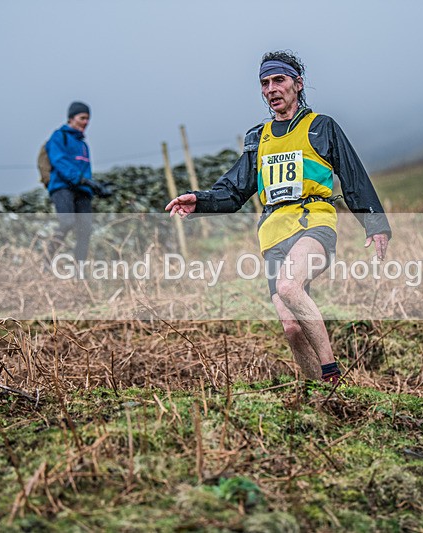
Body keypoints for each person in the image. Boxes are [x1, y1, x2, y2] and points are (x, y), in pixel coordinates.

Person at [166, 51, 391, 384]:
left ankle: (332, 375)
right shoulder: (259, 137)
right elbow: (234, 191)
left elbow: (353, 176)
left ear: (297, 85)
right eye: (264, 83)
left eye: (279, 80)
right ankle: (321, 396)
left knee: (288, 285)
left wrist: (375, 224)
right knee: (291, 327)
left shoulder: (321, 127)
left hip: (313, 221)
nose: (271, 88)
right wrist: (199, 201)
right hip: (272, 233)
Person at [46, 101, 95, 263]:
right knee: (67, 221)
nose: (86, 122)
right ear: (71, 118)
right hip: (62, 187)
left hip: (82, 190)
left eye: (88, 119)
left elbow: (86, 171)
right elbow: (59, 161)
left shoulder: (83, 145)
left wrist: (96, 187)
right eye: (82, 118)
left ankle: (79, 270)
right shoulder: (59, 137)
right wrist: (81, 180)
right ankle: (47, 258)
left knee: (85, 230)